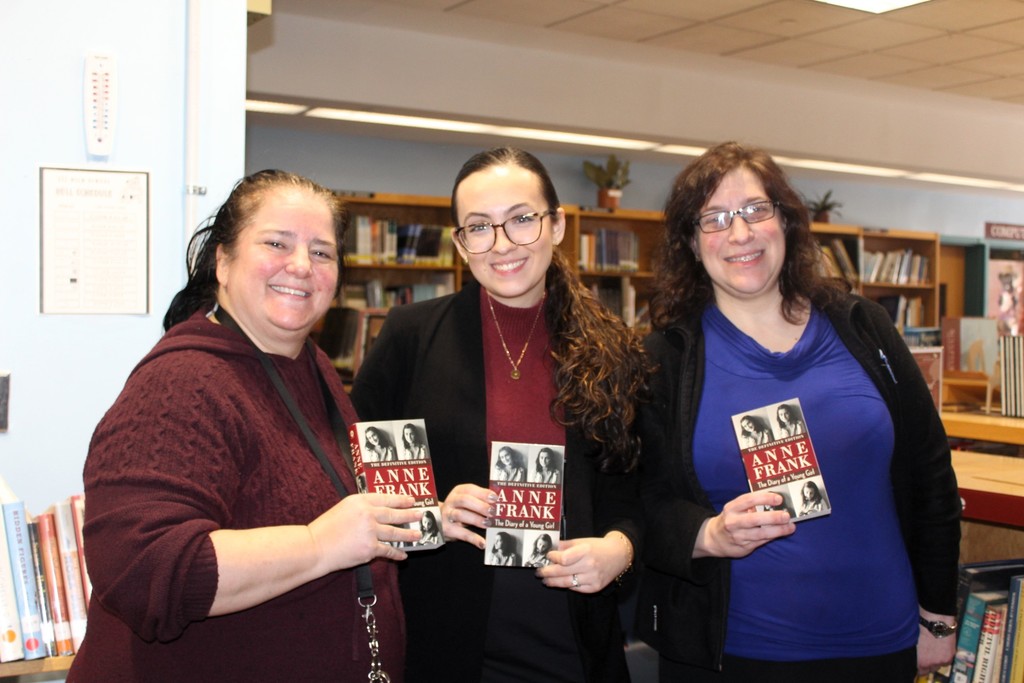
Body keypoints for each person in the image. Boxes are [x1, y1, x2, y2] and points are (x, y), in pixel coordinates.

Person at [68, 170, 421, 683]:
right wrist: (320, 543)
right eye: (277, 243)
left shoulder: (310, 365)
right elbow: (141, 569)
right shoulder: (181, 383)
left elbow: (337, 502)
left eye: (322, 252)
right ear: (223, 261)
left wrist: (425, 516)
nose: (301, 265)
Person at [635, 142, 961, 682]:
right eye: (714, 219)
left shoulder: (863, 327)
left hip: (880, 642)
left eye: (755, 210)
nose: (739, 234)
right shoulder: (664, 359)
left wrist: (938, 615)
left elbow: (930, 473)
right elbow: (640, 499)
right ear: (692, 243)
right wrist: (706, 533)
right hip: (733, 654)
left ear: (785, 221)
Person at [351, 146, 651, 682]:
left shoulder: (611, 349)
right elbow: (355, 485)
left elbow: (632, 496)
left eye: (521, 219)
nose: (503, 243)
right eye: (479, 227)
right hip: (443, 643)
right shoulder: (410, 337)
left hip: (575, 646)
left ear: (556, 225)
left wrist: (618, 551)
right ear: (461, 243)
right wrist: (432, 515)